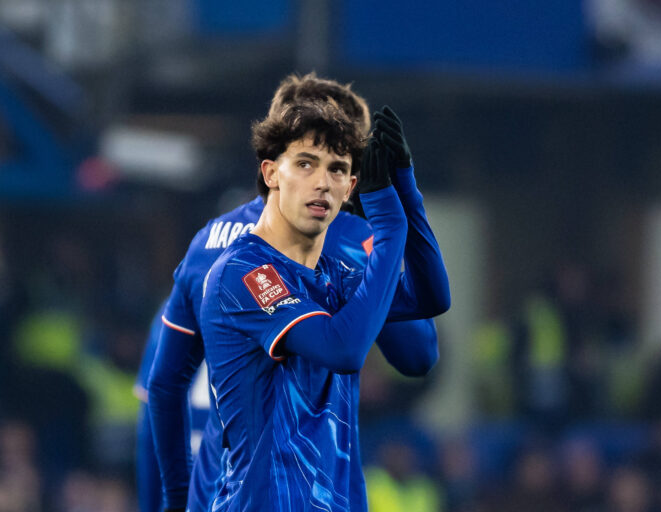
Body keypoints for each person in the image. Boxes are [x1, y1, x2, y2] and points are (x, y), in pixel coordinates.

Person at [141, 73, 447, 512]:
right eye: (308, 161)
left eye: (340, 166)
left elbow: (163, 384)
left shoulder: (210, 241)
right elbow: (415, 355)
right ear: (273, 168)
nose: (323, 179)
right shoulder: (264, 264)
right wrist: (384, 227)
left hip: (243, 487)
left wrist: (405, 192)